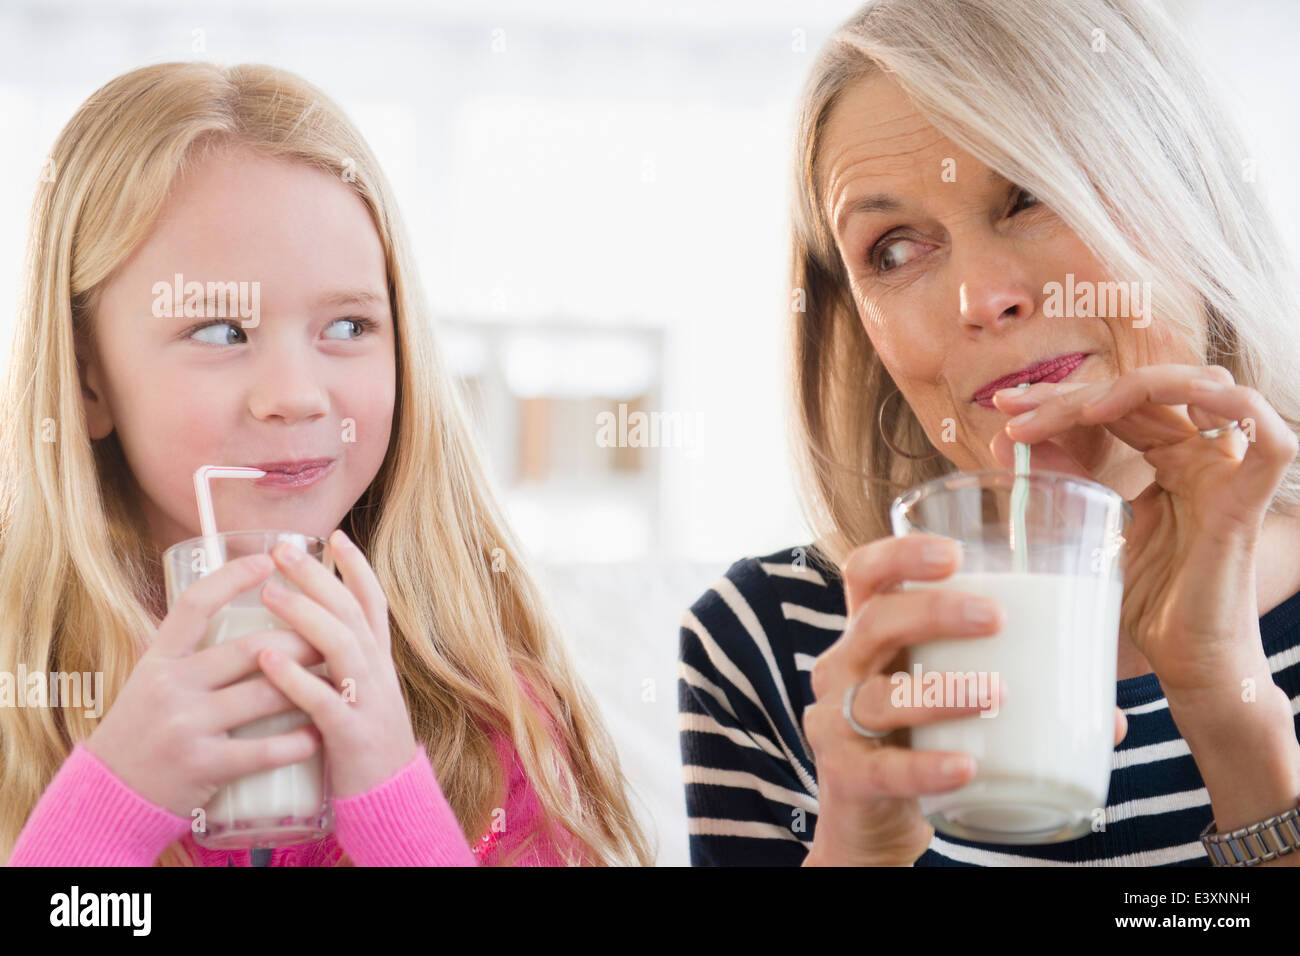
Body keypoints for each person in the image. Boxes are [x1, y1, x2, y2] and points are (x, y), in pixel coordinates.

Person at [679, 0, 1300, 866]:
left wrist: (1238, 728)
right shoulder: (768, 644)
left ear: (1185, 194)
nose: (980, 298)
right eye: (894, 250)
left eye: (1028, 196)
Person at [0, 61, 652, 867]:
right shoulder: (22, 700)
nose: (296, 397)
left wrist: (390, 798)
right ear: (88, 378)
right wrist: (111, 806)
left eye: (347, 328)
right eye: (220, 333)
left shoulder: (487, 719)